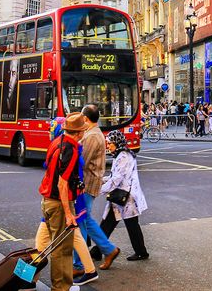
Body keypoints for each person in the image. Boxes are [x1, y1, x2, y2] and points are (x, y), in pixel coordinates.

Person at [39, 112, 87, 290]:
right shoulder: (71, 149)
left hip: (47, 200)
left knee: (51, 245)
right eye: (83, 130)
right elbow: (62, 183)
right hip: (59, 204)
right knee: (62, 249)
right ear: (79, 132)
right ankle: (61, 287)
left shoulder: (56, 142)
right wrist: (68, 213)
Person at [78, 105, 120, 270]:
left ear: (86, 119)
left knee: (83, 219)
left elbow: (82, 161)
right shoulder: (92, 134)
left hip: (88, 183)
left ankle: (104, 251)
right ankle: (105, 251)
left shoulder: (92, 137)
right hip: (90, 182)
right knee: (83, 220)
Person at [99, 130, 150, 262]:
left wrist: (98, 190)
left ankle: (141, 252)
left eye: (110, 143)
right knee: (108, 224)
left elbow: (116, 179)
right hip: (121, 196)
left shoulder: (123, 157)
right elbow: (113, 176)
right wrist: (102, 179)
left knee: (130, 225)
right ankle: (98, 250)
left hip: (127, 197)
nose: (108, 146)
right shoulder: (120, 155)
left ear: (117, 143)